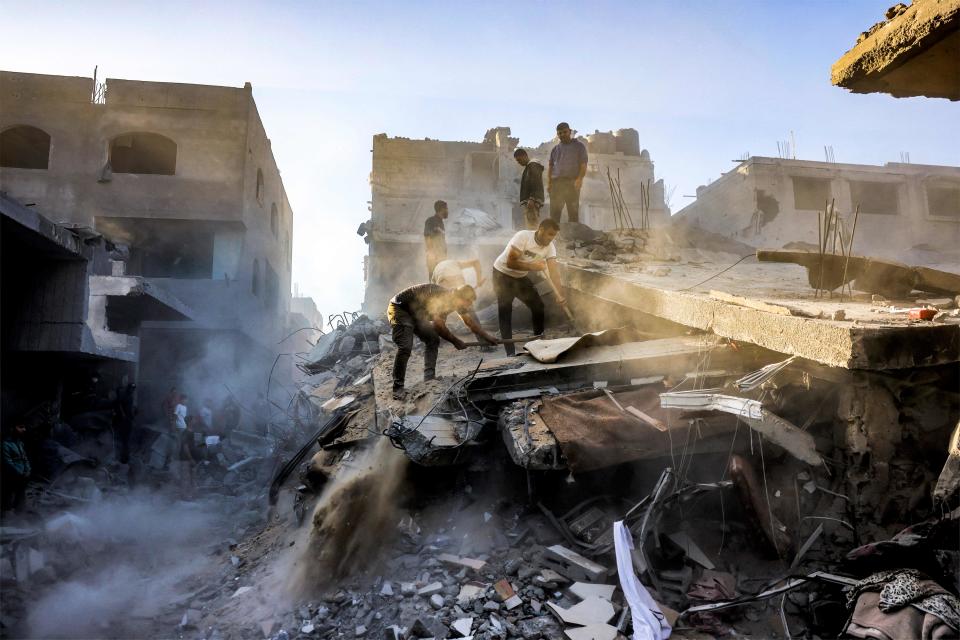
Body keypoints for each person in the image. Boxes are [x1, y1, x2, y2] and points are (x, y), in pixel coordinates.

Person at [388, 283, 500, 399]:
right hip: (400, 309)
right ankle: (398, 388)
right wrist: (456, 341)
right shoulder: (441, 298)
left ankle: (429, 378)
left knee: (432, 340)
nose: (469, 306)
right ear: (459, 298)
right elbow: (439, 327)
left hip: (416, 314)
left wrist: (487, 337)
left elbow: (469, 323)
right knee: (405, 347)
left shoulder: (457, 301)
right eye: (468, 302)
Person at [492, 218, 565, 356]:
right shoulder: (523, 236)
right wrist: (532, 266)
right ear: (541, 230)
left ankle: (538, 344)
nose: (551, 238)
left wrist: (559, 295)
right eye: (550, 234)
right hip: (502, 274)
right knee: (505, 312)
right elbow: (510, 263)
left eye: (554, 235)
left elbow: (554, 272)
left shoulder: (550, 247)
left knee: (538, 306)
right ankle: (510, 353)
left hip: (520, 277)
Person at [548, 122, 588, 224]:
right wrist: (549, 183)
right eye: (560, 133)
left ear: (569, 131)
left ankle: (574, 238)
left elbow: (583, 165)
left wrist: (579, 179)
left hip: (572, 183)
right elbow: (551, 167)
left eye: (564, 132)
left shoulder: (579, 146)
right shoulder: (555, 150)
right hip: (557, 184)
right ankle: (555, 239)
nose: (562, 135)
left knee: (573, 214)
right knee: (554, 215)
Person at [1, 423, 31, 512]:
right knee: (8, 496)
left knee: (21, 496)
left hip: (23, 476)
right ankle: (6, 516)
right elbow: (8, 462)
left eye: (24, 427)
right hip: (12, 476)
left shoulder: (20, 443)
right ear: (12, 428)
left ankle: (19, 515)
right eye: (21, 427)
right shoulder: (5, 444)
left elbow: (25, 458)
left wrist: (28, 470)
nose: (24, 429)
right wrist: (19, 472)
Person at [514, 148, 545, 230]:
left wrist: (532, 198)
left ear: (525, 156)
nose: (519, 162)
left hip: (532, 201)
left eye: (519, 160)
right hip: (531, 201)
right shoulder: (529, 167)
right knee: (531, 224)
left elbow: (536, 182)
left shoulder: (533, 165)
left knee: (532, 225)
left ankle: (533, 242)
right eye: (517, 161)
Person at [113, 381, 137, 465]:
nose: (132, 390)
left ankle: (125, 458)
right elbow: (119, 405)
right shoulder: (124, 396)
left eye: (133, 389)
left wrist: (133, 415)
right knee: (122, 439)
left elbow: (130, 409)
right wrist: (122, 414)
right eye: (131, 388)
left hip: (128, 420)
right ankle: (121, 458)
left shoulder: (131, 396)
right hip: (123, 420)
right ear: (128, 388)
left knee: (126, 440)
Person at [423, 200, 449, 279]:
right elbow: (427, 235)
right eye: (446, 209)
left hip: (441, 257)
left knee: (441, 280)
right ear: (441, 209)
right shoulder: (431, 221)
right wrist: (431, 255)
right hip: (434, 258)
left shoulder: (441, 222)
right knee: (433, 280)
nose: (447, 211)